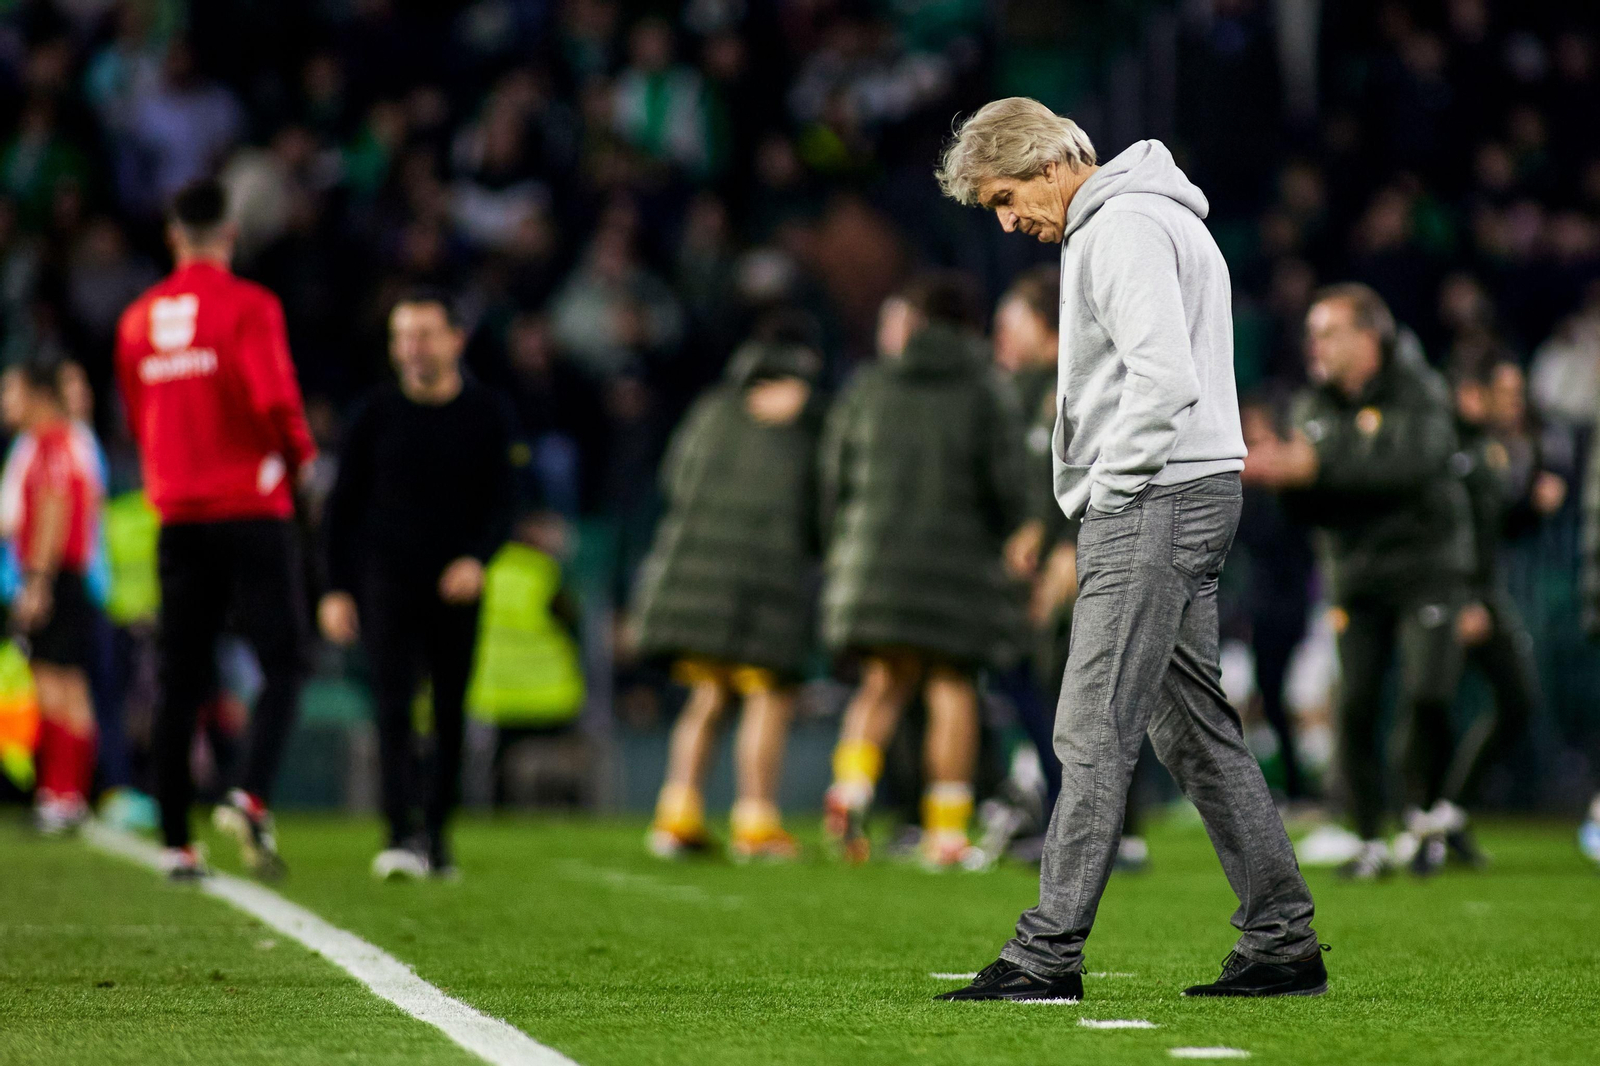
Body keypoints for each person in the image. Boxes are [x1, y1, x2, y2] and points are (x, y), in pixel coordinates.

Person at [934, 98, 1322, 1001]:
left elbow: (1163, 380)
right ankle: (1280, 938)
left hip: (1154, 497)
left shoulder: (1121, 229)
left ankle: (1047, 954)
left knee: (1090, 727)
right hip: (1186, 491)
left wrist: (1109, 490)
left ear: (1043, 162)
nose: (1008, 221)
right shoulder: (1147, 216)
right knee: (1192, 732)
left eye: (1003, 197)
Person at [115, 179, 317, 881]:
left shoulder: (137, 322)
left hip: (179, 516)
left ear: (174, 237)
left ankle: (176, 841)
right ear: (229, 235)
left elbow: (140, 417)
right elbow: (275, 401)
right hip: (251, 510)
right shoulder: (250, 307)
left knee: (181, 678)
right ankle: (250, 792)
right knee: (285, 662)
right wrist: (300, 464)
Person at [1247, 284, 1474, 879]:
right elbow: (1311, 502)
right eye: (1312, 333)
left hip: (1426, 569)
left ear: (1369, 335)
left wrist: (1318, 467)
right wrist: (1291, 480)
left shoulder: (1419, 389)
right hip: (1356, 572)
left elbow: (1412, 466)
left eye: (1328, 332)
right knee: (1355, 705)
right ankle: (1371, 836)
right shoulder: (1311, 404)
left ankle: (1425, 813)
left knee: (1427, 693)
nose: (1313, 345)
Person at [819, 274, 1026, 870]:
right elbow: (1008, 484)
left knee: (882, 681)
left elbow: (834, 477)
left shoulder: (869, 384)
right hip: (957, 565)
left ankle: (850, 792)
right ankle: (946, 831)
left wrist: (840, 546)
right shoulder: (986, 390)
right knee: (951, 686)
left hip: (872, 562)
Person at [320, 291, 515, 880]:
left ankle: (438, 835)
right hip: (387, 581)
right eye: (402, 336)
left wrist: (478, 559)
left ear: (456, 339)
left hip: (455, 586)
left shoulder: (487, 414)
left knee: (451, 713)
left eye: (424, 334)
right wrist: (336, 588)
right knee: (392, 709)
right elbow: (340, 510)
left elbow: (505, 503)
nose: (412, 348)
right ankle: (399, 833)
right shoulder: (373, 415)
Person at [631, 327, 824, 862]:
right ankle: (756, 824)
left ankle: (676, 816)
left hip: (694, 576)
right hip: (766, 581)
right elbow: (821, 507)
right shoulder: (801, 431)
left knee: (707, 696)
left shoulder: (710, 413)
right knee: (769, 694)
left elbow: (674, 481)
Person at [1416, 353, 1563, 865]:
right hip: (1452, 594)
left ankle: (1447, 812)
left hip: (1482, 592)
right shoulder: (1445, 448)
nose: (1514, 404)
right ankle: (1419, 820)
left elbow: (1492, 528)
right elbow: (1445, 535)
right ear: (1473, 392)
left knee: (1516, 699)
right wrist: (1466, 599)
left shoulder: (1485, 448)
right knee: (1429, 705)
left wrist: (1530, 507)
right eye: (1506, 391)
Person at [1, 360, 105, 834]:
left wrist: (38, 581)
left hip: (58, 574)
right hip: (64, 575)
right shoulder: (61, 442)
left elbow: (54, 507)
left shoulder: (53, 443)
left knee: (56, 686)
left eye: (11, 392)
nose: (6, 404)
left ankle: (62, 795)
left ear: (36, 395)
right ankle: (64, 795)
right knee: (63, 685)